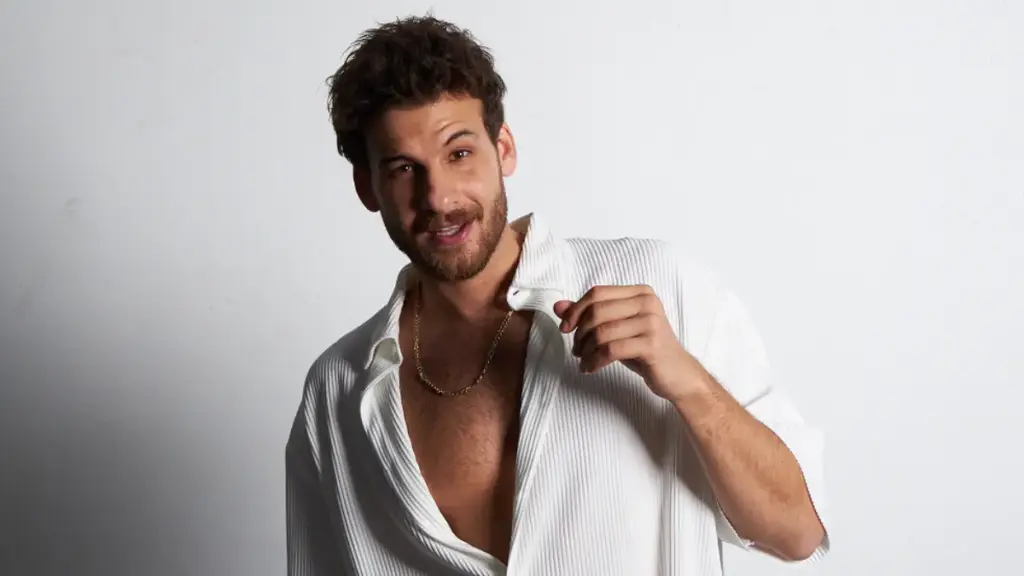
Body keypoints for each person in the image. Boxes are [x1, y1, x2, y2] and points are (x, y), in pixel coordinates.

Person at [286, 15, 830, 576]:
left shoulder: (661, 288)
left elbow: (797, 532)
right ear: (368, 187)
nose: (439, 197)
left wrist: (688, 383)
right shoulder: (337, 390)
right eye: (404, 169)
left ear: (504, 148)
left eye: (459, 153)